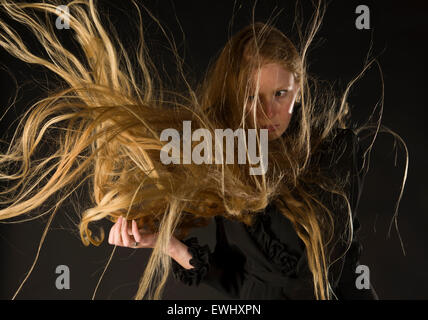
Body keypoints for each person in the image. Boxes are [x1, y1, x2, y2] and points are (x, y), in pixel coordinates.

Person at [0, 1, 406, 300]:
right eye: (252, 97)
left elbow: (310, 277)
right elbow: (236, 281)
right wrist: (164, 242)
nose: (268, 113)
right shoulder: (219, 159)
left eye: (281, 94)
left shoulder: (334, 152)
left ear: (299, 90)